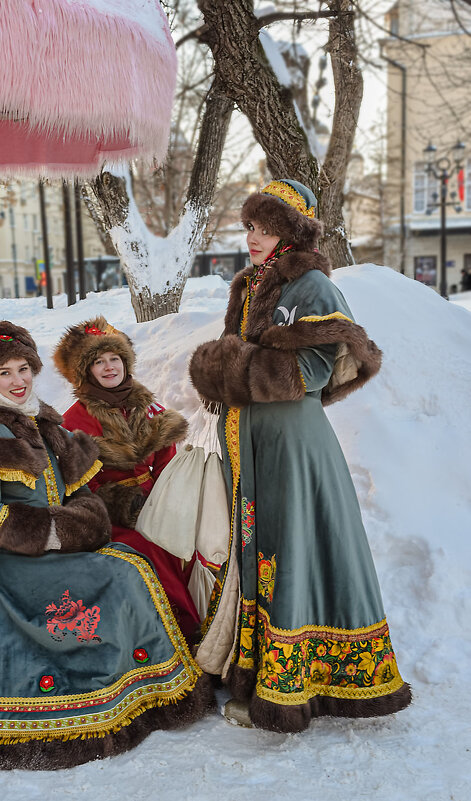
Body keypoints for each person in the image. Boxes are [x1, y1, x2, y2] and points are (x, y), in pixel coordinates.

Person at [0, 321, 212, 771]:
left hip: (56, 541)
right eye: (5, 373)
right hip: (9, 558)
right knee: (118, 572)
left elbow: (78, 487)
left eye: (24, 369)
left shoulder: (44, 420)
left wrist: (82, 522)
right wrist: (52, 536)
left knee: (132, 562)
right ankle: (94, 695)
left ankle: (139, 690)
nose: (18, 380)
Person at [189, 179, 411, 732]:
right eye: (250, 226)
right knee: (258, 551)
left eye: (265, 229)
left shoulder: (313, 286)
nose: (253, 238)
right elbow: (241, 357)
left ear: (291, 234)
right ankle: (252, 670)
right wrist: (225, 375)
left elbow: (311, 372)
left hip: (290, 446)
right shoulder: (250, 285)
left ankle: (291, 688)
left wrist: (228, 372)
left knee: (290, 551)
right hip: (252, 444)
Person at [53, 317, 200, 643]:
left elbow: (167, 463)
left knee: (195, 542)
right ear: (86, 371)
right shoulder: (73, 421)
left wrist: (172, 501)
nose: (109, 367)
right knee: (149, 548)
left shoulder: (147, 406)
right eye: (99, 361)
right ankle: (179, 632)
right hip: (111, 515)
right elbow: (78, 487)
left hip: (156, 502)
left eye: (114, 358)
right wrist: (123, 505)